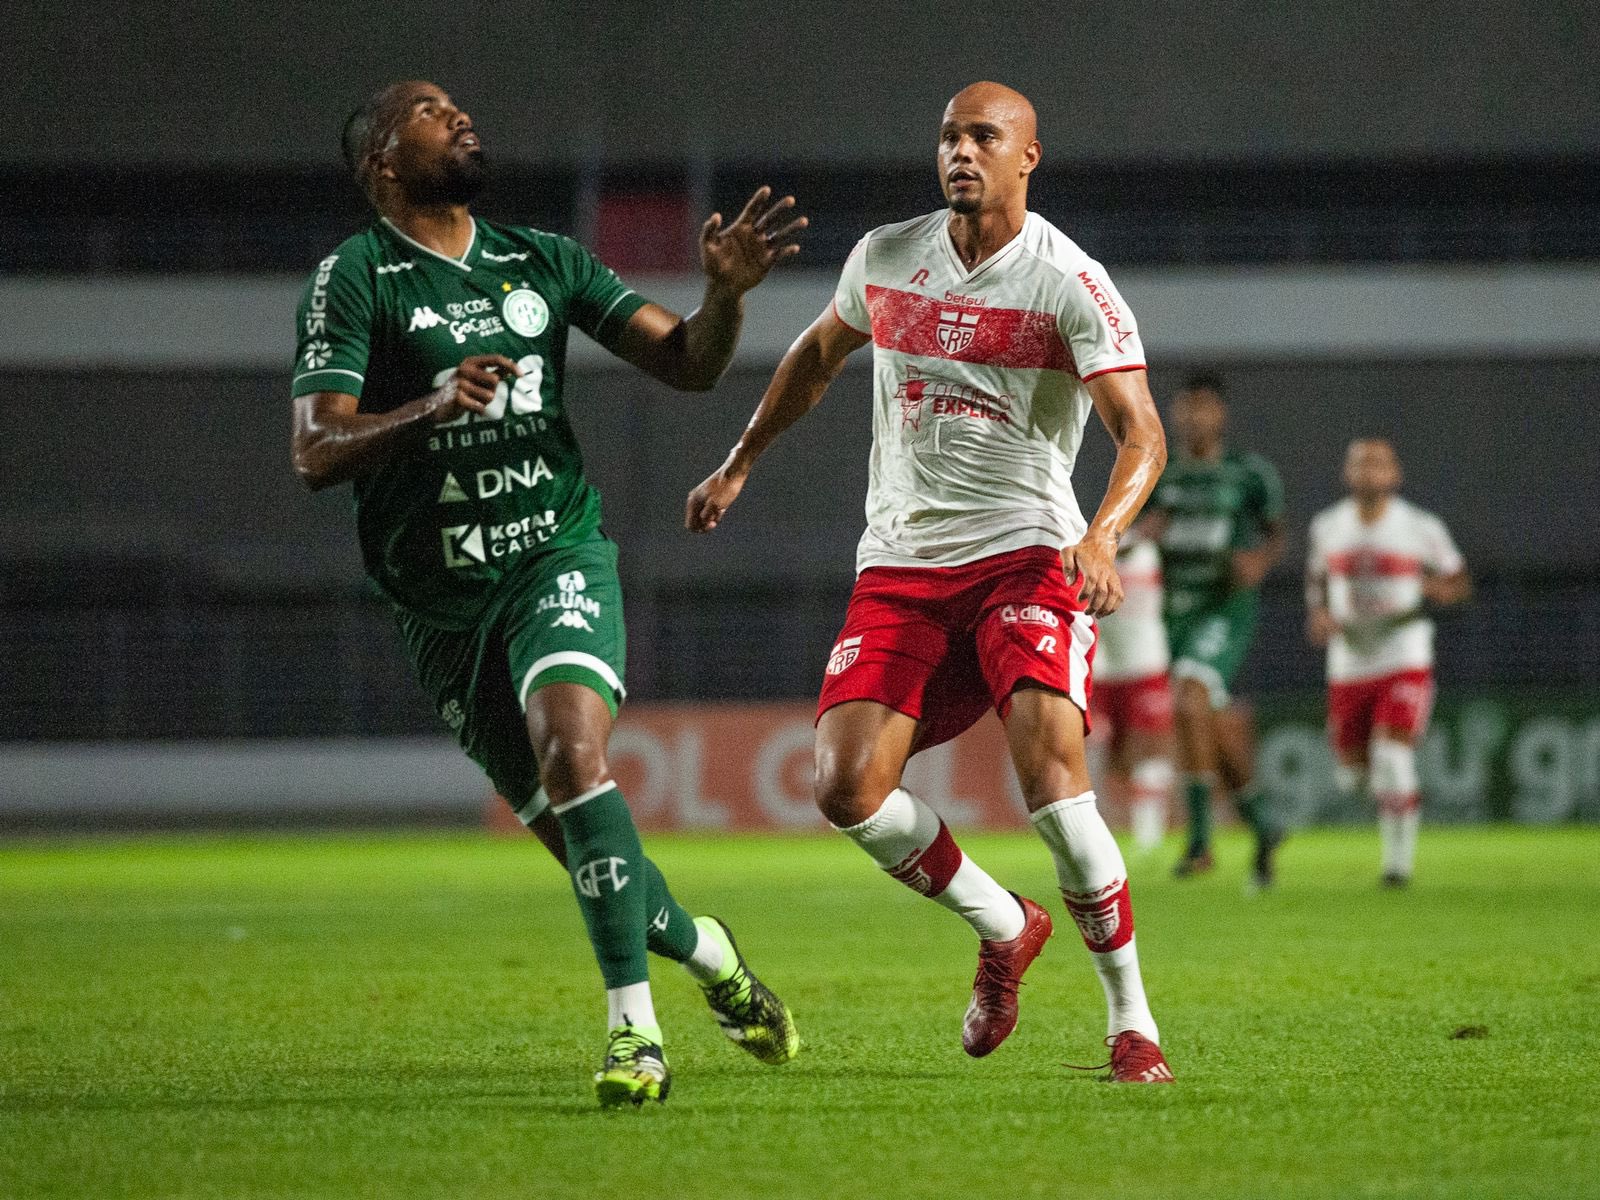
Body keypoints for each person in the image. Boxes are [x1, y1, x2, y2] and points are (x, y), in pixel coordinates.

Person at [289, 80, 805, 1108]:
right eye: (429, 112)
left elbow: (688, 365)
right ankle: (714, 960)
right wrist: (429, 406)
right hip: (442, 610)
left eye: (457, 104)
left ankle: (635, 1038)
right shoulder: (357, 277)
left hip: (552, 554)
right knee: (585, 848)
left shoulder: (541, 259)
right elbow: (314, 448)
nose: (459, 114)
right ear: (382, 165)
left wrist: (728, 298)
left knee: (574, 752)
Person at [686, 82, 1173, 1083]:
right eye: (948, 136)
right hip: (900, 566)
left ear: (1028, 155)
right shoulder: (885, 256)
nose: (960, 152)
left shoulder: (1069, 281)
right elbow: (816, 359)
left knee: (1051, 778)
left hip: (1025, 555)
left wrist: (1102, 534)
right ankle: (1005, 926)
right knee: (844, 787)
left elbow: (1141, 432)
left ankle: (1132, 1022)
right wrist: (738, 461)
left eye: (982, 137)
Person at [1143, 374, 1285, 886]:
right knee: (1210, 720)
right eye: (1186, 408)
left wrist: (1257, 562)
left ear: (1220, 415)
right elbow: (1136, 528)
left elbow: (1274, 534)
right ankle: (1262, 820)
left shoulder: (1248, 474)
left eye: (1204, 408)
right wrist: (1143, 532)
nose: (1194, 418)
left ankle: (1201, 841)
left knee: (1189, 700)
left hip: (1224, 608)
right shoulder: (1159, 471)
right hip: (1172, 611)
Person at [1306, 439, 1469, 886]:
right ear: (1347, 473)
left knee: (1393, 756)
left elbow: (1458, 580)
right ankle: (1384, 802)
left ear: (1395, 475)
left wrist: (1440, 589)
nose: (1369, 471)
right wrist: (1318, 612)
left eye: (1378, 463)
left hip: (1404, 650)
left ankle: (1398, 864)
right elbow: (1317, 581)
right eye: (1360, 463)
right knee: (1352, 778)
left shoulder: (1419, 526)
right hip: (1350, 659)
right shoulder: (1328, 526)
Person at [1089, 532, 1176, 854]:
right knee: (1113, 756)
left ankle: (1148, 835)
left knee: (1151, 747)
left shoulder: (1155, 549)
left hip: (1146, 664)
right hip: (1103, 668)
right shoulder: (1087, 547)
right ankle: (1096, 831)